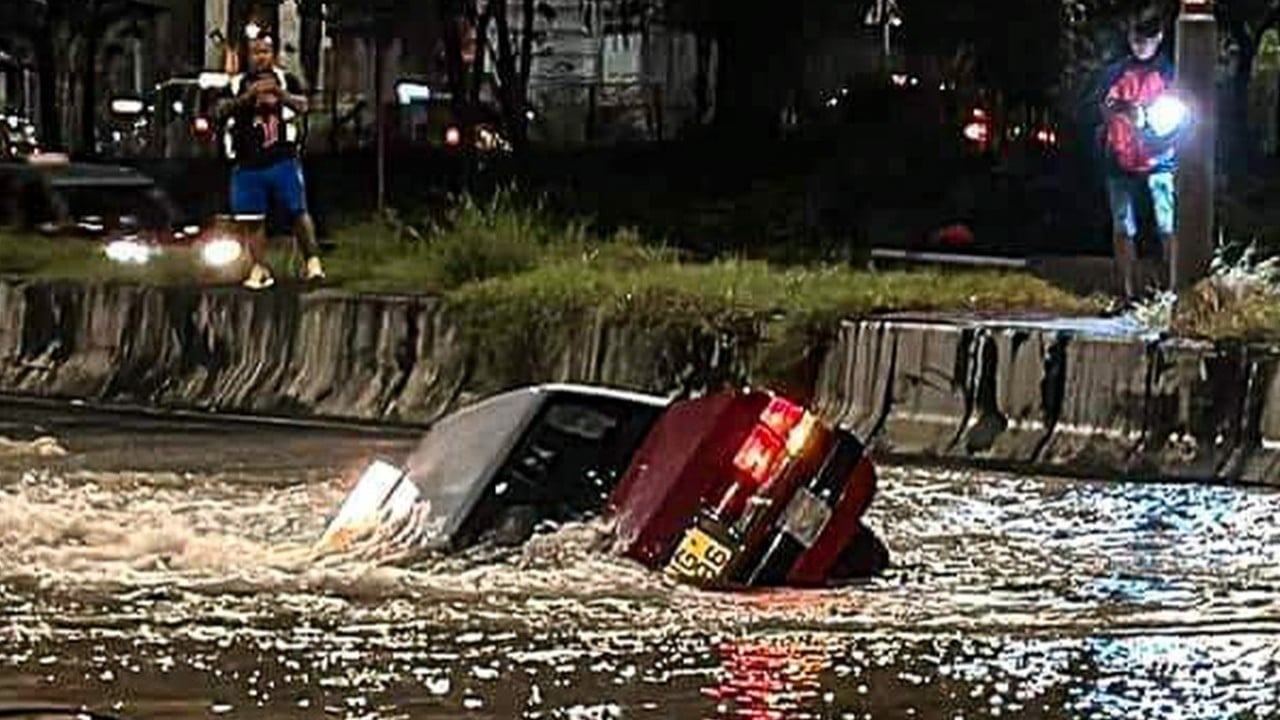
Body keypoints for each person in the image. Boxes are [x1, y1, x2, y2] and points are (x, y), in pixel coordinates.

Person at [218, 31, 324, 288]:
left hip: (282, 158)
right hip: (247, 162)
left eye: (265, 52)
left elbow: (304, 105)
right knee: (252, 219)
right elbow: (219, 109)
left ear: (273, 54)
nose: (260, 57)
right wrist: (248, 97)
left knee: (298, 211)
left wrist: (279, 94)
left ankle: (313, 262)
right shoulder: (237, 83)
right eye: (255, 52)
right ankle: (259, 267)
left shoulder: (286, 80)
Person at [1099, 7, 1178, 301]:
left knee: (1167, 222)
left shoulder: (1169, 74)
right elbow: (1101, 109)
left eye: (1147, 37)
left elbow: (1179, 116)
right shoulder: (1115, 73)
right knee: (1122, 225)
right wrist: (1116, 116)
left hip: (1160, 160)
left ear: (1159, 37)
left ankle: (1173, 290)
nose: (1140, 43)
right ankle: (1125, 293)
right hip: (1119, 159)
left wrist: (1147, 124)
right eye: (1136, 37)